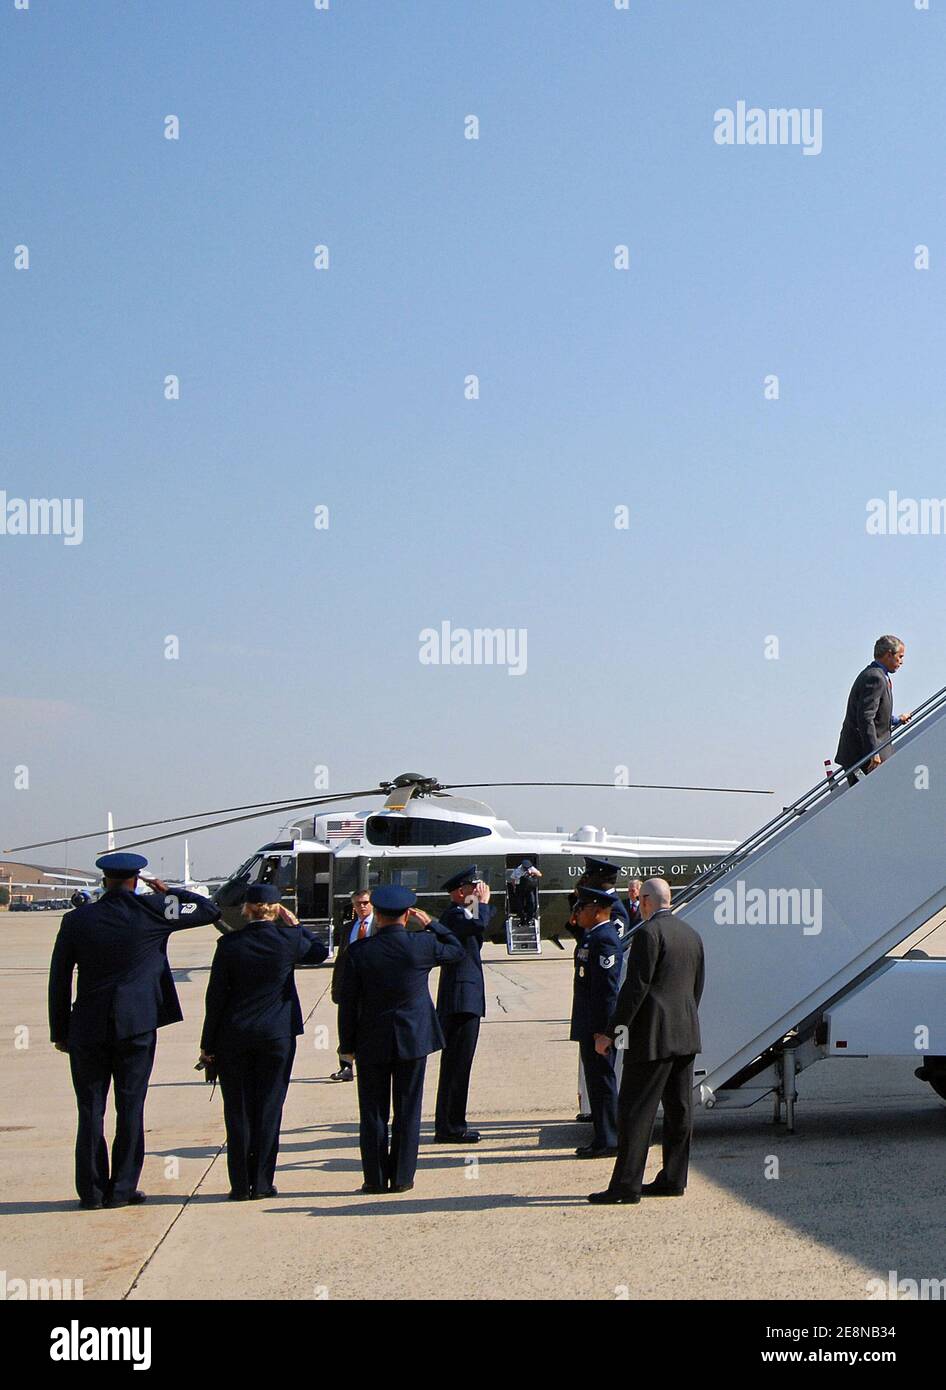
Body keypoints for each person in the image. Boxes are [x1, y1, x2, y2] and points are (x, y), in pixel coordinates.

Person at [48, 851, 221, 1210]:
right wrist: (168, 891)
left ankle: (92, 1192)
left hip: (88, 1026)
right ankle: (122, 1189)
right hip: (136, 1025)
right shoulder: (153, 911)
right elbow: (210, 911)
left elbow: (59, 980)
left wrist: (60, 1030)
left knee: (90, 1110)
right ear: (135, 879)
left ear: (104, 880)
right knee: (130, 1107)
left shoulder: (77, 919)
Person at [199, 884, 328, 1201]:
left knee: (238, 1110)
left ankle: (240, 1185)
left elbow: (215, 998)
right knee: (269, 1108)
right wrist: (296, 926)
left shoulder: (229, 944)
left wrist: (207, 1044)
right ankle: (262, 1182)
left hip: (234, 1035)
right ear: (276, 908)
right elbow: (320, 953)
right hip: (276, 1035)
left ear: (246, 909)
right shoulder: (288, 940)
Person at [337, 886, 464, 1193]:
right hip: (413, 1037)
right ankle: (403, 1177)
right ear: (407, 915)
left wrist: (346, 1046)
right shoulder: (421, 945)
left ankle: (375, 1178)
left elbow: (347, 1002)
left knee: (373, 1112)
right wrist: (433, 923)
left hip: (371, 1039)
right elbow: (457, 949)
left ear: (376, 916)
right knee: (408, 1110)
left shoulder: (359, 951)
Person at [588, 877, 704, 1205]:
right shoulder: (691, 935)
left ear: (648, 902)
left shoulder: (649, 934)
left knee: (635, 1112)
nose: (637, 907)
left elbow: (635, 989)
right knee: (680, 1110)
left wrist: (610, 1033)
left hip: (652, 1038)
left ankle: (626, 1186)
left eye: (639, 901)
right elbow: (697, 987)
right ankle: (673, 1178)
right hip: (685, 1035)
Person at [434, 866, 493, 1143]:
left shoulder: (463, 914)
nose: (478, 891)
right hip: (460, 1000)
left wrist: (478, 904)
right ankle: (451, 1127)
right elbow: (479, 925)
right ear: (461, 892)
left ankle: (450, 1122)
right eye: (474, 887)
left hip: (463, 997)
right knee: (457, 1065)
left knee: (458, 1065)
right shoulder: (456, 915)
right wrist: (485, 903)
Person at [569, 886, 622, 1158]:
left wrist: (604, 1032)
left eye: (582, 908)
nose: (578, 913)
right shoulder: (592, 937)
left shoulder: (605, 940)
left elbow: (607, 991)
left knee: (602, 1081)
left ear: (599, 910)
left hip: (597, 1028)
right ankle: (602, 1135)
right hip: (588, 1023)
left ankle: (609, 1138)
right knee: (596, 1082)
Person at [836, 636, 912, 788]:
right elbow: (865, 717)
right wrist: (873, 753)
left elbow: (875, 716)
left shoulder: (878, 675)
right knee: (871, 801)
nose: (902, 662)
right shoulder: (875, 677)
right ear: (889, 654)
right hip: (863, 755)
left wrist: (897, 719)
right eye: (900, 657)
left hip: (866, 753)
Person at [329, 889, 374, 1081]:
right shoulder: (349, 928)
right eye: (357, 904)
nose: (362, 907)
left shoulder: (379, 926)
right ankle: (346, 1066)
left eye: (365, 902)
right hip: (350, 985)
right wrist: (336, 986)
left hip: (372, 986)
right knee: (346, 1025)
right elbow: (341, 960)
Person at [508, 859, 542, 926]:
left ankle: (529, 919)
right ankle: (522, 920)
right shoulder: (517, 870)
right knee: (520, 905)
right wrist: (514, 887)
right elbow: (513, 879)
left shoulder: (531, 868)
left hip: (529, 889)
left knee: (531, 903)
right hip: (520, 889)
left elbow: (540, 874)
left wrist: (532, 873)